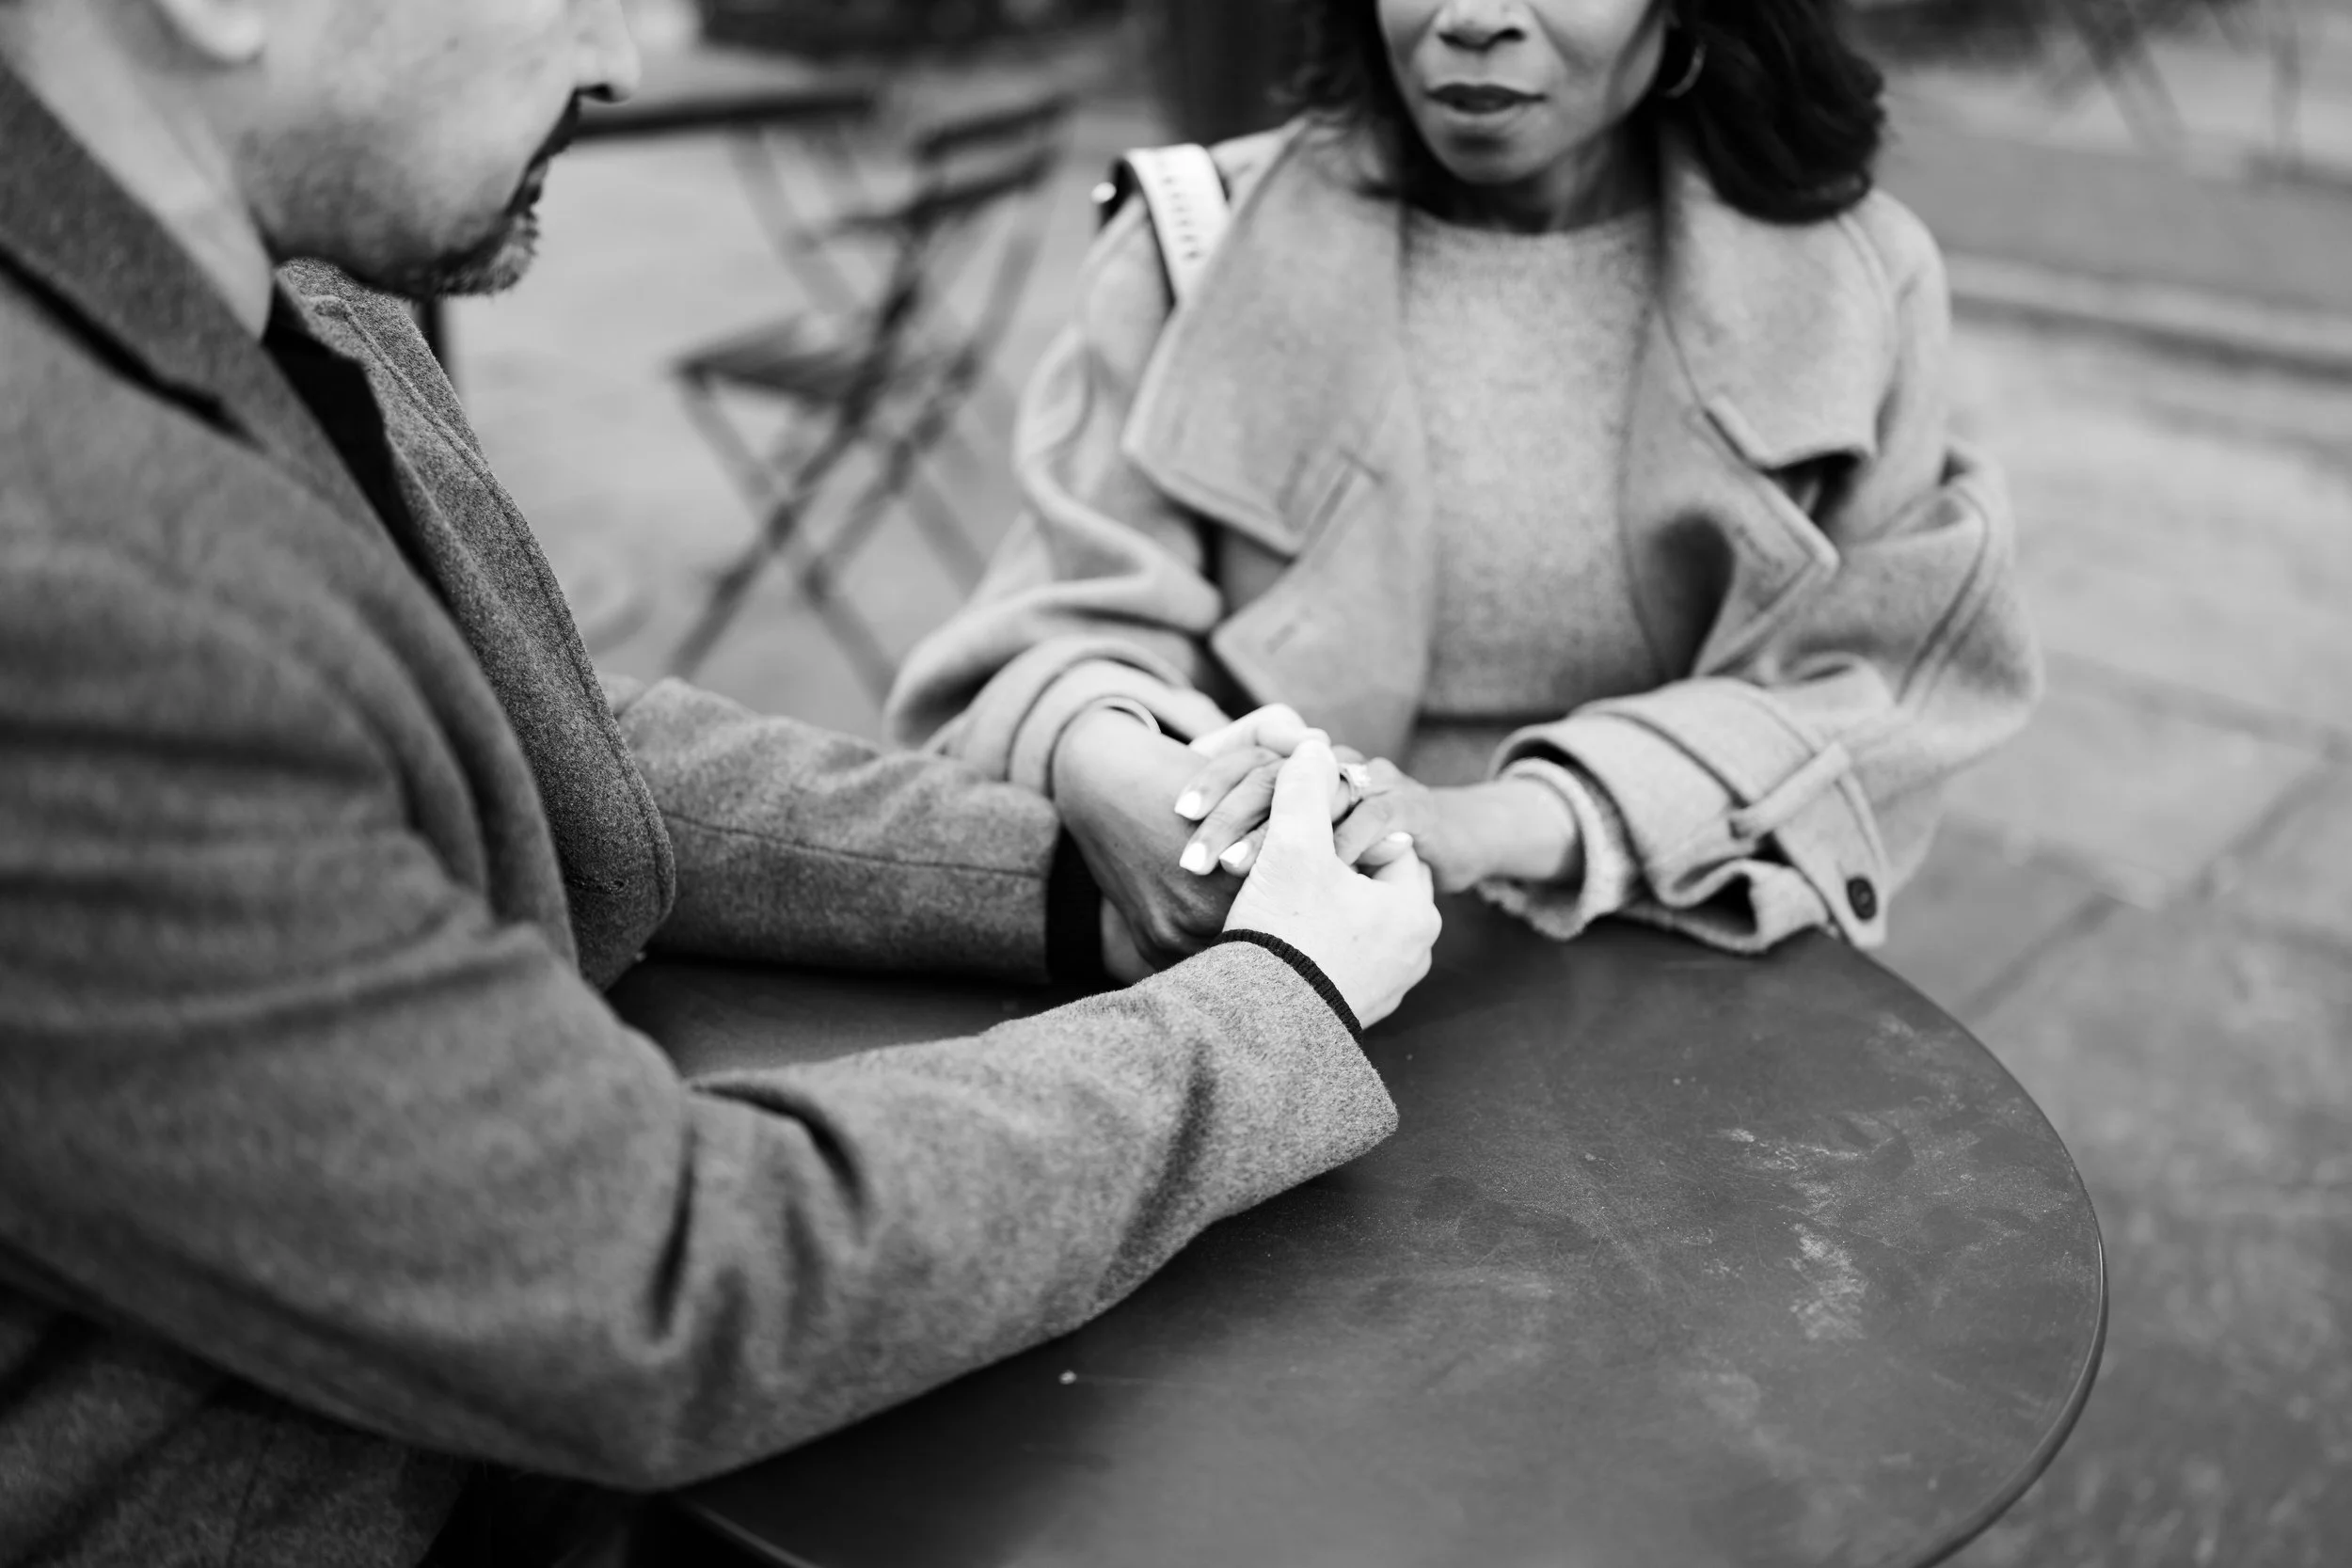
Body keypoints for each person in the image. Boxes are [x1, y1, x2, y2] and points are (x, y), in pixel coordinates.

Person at [0, 2, 1442, 1563]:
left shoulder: (281, 268)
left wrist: (1079, 877)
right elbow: (657, 1282)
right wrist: (1265, 1010)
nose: (626, 58)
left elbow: (501, 715)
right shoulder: (72, 591)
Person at [889, 0, 2041, 958]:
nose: (1474, 17)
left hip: (1673, 958)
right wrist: (1122, 773)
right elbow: (1052, 633)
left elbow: (1875, 691)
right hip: (1262, 981)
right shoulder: (1194, 244)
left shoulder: (1857, 283)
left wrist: (1482, 826)